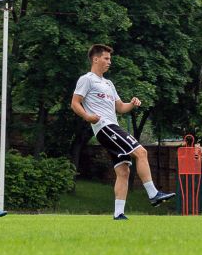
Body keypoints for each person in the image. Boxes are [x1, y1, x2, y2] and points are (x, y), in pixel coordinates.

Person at [71, 44, 175, 220]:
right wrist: (88, 117)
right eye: (106, 58)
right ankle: (153, 194)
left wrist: (132, 103)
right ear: (95, 59)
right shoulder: (86, 79)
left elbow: (120, 107)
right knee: (141, 152)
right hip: (105, 127)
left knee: (123, 171)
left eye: (110, 59)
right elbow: (75, 103)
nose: (109, 62)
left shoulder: (108, 83)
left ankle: (118, 214)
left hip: (111, 126)